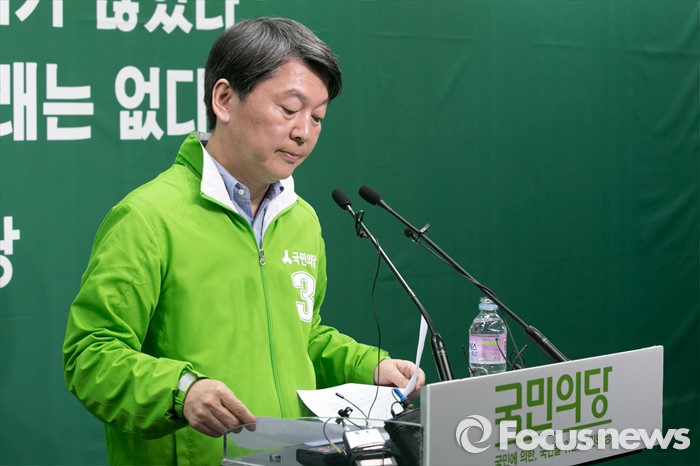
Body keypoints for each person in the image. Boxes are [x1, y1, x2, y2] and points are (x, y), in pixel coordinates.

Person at [62, 17, 425, 466]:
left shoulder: (301, 219)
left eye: (317, 117)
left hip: (289, 457)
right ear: (224, 99)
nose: (303, 132)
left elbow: (302, 337)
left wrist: (367, 366)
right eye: (288, 109)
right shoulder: (149, 217)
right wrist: (182, 391)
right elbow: (91, 355)